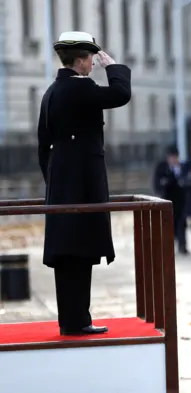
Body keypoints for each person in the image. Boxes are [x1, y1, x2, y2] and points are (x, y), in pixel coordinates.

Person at [37, 31, 131, 335]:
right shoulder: (79, 88)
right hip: (80, 181)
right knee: (79, 251)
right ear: (80, 60)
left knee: (69, 253)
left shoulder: (52, 90)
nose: (93, 64)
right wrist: (113, 67)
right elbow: (119, 95)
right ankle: (78, 322)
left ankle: (73, 320)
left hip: (62, 179)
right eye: (91, 58)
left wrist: (53, 180)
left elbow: (42, 145)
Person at [153, 146, 186, 253]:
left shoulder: (182, 167)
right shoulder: (162, 167)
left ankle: (182, 246)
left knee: (181, 224)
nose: (173, 159)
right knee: (167, 225)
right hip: (166, 201)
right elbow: (157, 183)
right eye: (171, 157)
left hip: (180, 201)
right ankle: (167, 247)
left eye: (175, 157)